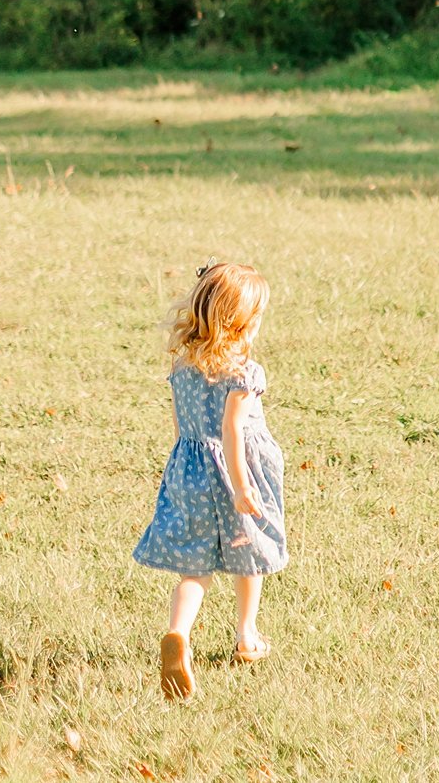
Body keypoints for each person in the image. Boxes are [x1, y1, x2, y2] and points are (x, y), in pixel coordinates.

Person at [134, 260, 287, 699]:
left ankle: (178, 634)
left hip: (189, 470)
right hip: (237, 473)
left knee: (194, 567)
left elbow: (181, 428)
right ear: (241, 323)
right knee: (250, 551)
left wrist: (183, 475)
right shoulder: (243, 372)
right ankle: (247, 636)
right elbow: (231, 432)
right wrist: (241, 487)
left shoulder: (183, 367)